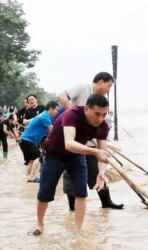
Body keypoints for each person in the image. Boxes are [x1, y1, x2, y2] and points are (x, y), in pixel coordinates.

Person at [32, 94, 112, 235]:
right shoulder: (72, 114)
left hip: (76, 156)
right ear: (87, 109)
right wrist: (94, 151)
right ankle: (39, 224)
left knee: (81, 193)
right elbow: (69, 144)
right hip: (54, 154)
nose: (100, 119)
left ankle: (78, 231)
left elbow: (103, 153)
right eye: (97, 114)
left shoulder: (103, 125)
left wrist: (101, 172)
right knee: (45, 192)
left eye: (104, 114)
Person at [59, 72, 124, 210]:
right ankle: (73, 208)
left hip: (89, 141)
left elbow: (101, 123)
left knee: (97, 170)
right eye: (109, 86)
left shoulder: (101, 100)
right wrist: (74, 113)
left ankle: (106, 202)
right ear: (100, 81)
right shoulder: (83, 88)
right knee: (71, 174)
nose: (109, 90)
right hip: (73, 141)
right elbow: (62, 96)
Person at [19, 101, 62, 182]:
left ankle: (28, 177)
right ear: (51, 109)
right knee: (38, 157)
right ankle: (32, 177)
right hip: (28, 140)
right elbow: (52, 130)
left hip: (24, 140)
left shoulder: (44, 116)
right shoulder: (45, 116)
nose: (57, 112)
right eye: (56, 110)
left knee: (31, 160)